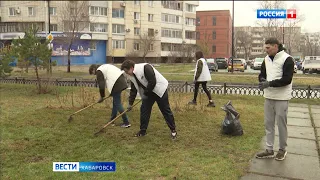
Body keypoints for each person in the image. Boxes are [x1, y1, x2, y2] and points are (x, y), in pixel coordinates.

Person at [256, 38, 294, 161]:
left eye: (268, 48)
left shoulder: (287, 59)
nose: (265, 50)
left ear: (276, 46)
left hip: (282, 97)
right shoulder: (266, 59)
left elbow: (287, 79)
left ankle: (282, 149)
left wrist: (269, 84)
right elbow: (262, 74)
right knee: (268, 124)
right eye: (265, 47)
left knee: (281, 124)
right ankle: (269, 149)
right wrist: (262, 80)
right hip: (268, 96)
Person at [120, 60, 177, 139]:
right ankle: (142, 131)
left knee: (165, 110)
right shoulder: (132, 76)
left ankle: (173, 130)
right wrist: (130, 103)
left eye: (126, 71)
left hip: (160, 89)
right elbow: (133, 90)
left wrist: (146, 93)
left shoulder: (145, 67)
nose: (126, 73)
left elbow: (152, 81)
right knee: (144, 110)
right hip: (148, 92)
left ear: (131, 68)